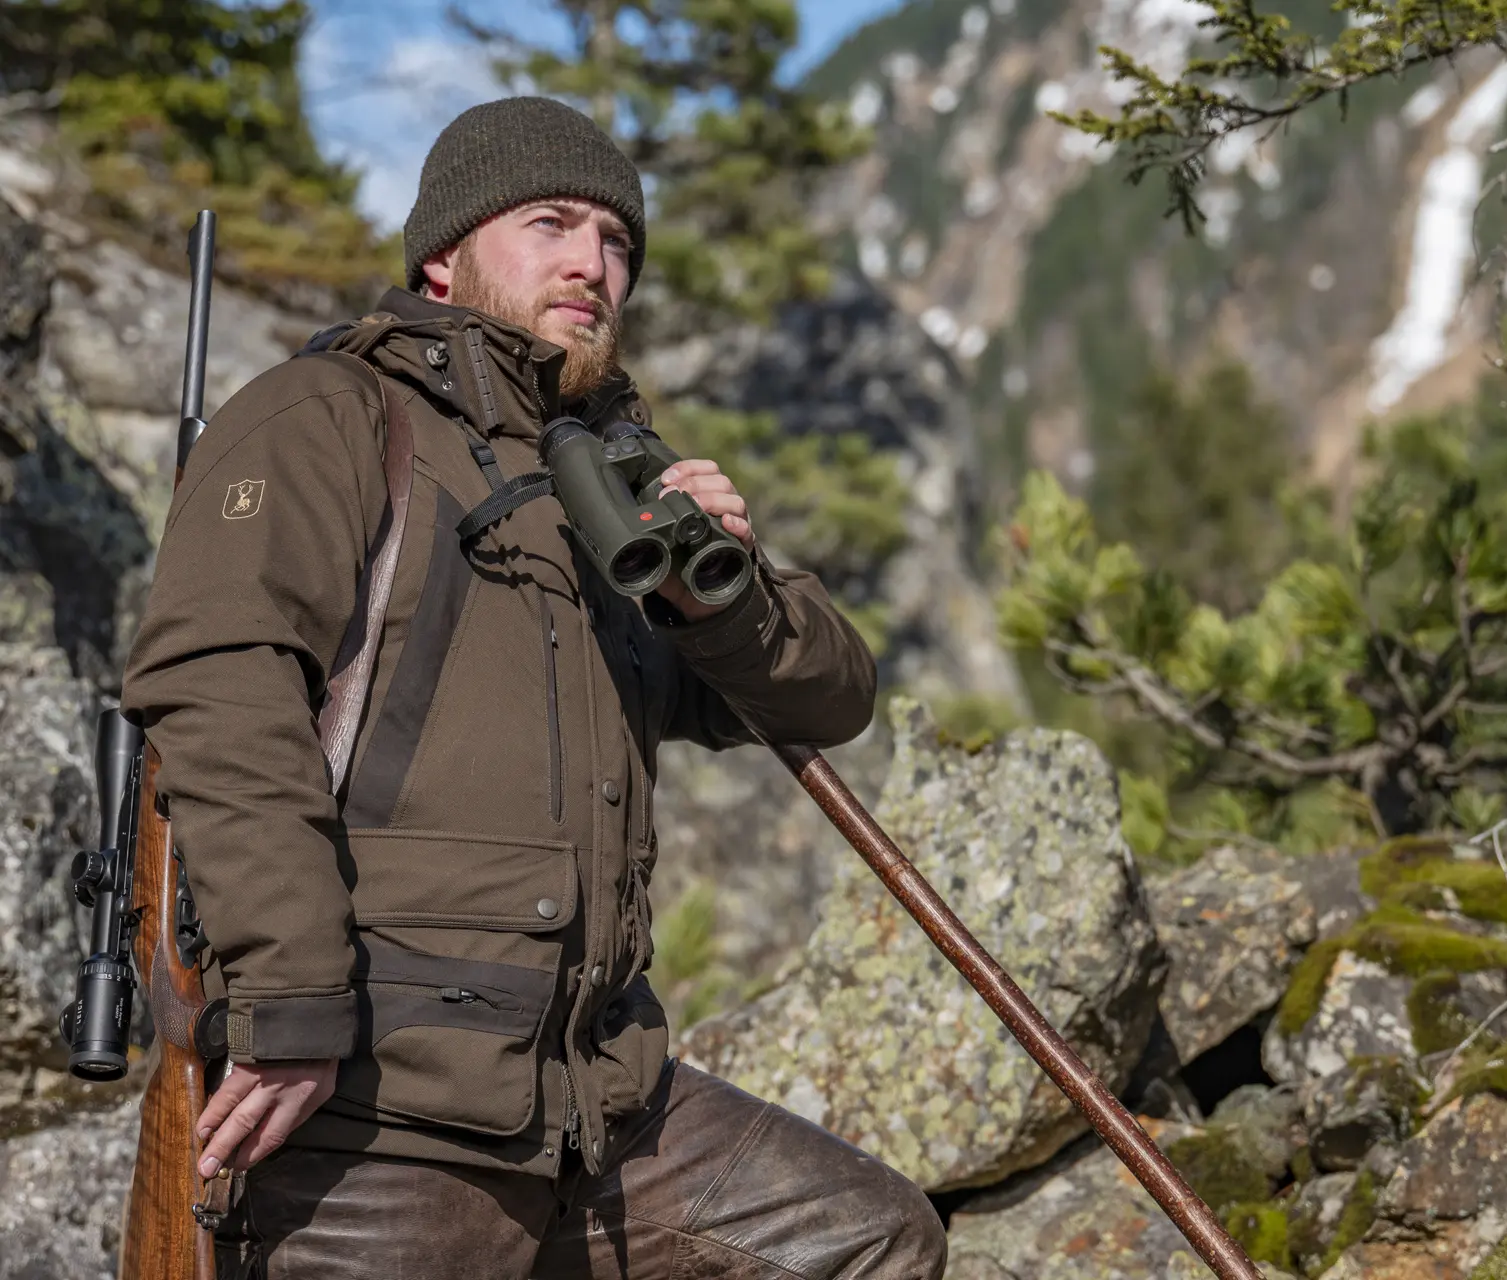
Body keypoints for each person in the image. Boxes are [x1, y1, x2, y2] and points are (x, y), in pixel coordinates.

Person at [120, 96, 947, 1280]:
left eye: (616, 241)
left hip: (599, 1109)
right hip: (381, 1105)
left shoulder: (611, 489)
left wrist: (726, 588)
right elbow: (219, 689)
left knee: (869, 1236)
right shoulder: (330, 419)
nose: (591, 262)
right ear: (444, 259)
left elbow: (828, 699)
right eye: (551, 223)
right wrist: (293, 998)